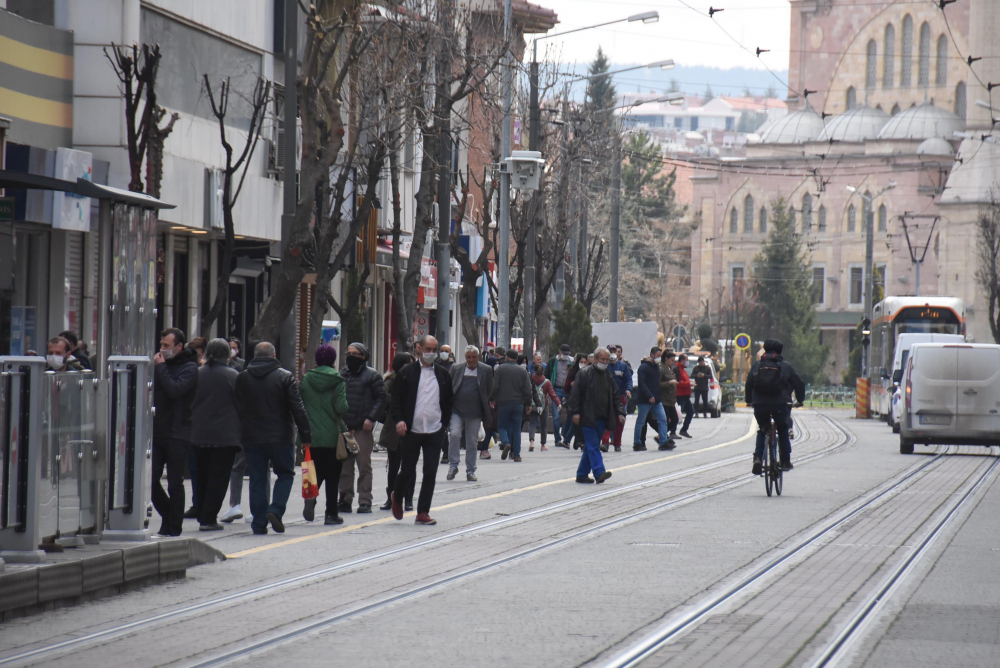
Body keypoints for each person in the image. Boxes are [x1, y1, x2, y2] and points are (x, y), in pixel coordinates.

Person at [235, 342, 312, 535]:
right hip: (281, 436)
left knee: (257, 478)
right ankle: (275, 510)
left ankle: (259, 523)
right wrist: (305, 435)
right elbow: (297, 408)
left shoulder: (243, 377)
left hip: (252, 436)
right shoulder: (285, 377)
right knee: (285, 474)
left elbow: (238, 405)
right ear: (274, 355)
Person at [389, 335, 452, 525]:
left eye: (435, 349)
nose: (431, 353)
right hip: (411, 430)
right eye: (428, 349)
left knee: (430, 472)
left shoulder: (442, 374)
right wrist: (399, 420)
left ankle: (423, 512)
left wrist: (444, 424)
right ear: (419, 348)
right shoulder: (406, 372)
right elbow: (396, 399)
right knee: (407, 470)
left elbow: (449, 401)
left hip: (434, 430)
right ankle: (397, 496)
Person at [189, 338, 242, 531]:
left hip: (198, 434)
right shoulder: (232, 376)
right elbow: (241, 404)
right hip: (225, 436)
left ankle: (202, 512)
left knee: (201, 476)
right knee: (218, 478)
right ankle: (209, 517)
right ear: (227, 355)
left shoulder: (196, 374)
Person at [151, 328, 199, 537]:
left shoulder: (189, 367)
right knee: (151, 481)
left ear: (179, 347)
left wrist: (161, 368)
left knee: (174, 481)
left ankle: (174, 526)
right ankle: (170, 515)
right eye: (161, 345)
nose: (162, 349)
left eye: (167, 346)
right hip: (157, 430)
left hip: (178, 432)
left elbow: (175, 390)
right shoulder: (160, 366)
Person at [300, 344, 349, 525]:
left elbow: (300, 404)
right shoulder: (338, 380)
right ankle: (331, 513)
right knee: (333, 475)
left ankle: (311, 496)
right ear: (333, 361)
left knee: (313, 471)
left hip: (310, 435)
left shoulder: (306, 380)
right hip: (332, 436)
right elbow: (342, 407)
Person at [338, 342, 386, 515]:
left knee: (363, 464)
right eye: (349, 352)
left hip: (362, 428)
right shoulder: (341, 374)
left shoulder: (372, 376)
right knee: (345, 465)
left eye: (355, 353)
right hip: (345, 427)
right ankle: (344, 498)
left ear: (364, 356)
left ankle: (365, 500)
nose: (351, 356)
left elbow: (381, 398)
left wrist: (371, 418)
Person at [745, 338, 805, 472]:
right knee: (783, 427)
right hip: (779, 404)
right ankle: (785, 460)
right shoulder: (785, 366)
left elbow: (749, 384)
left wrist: (749, 400)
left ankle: (758, 458)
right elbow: (799, 384)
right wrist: (800, 400)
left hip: (760, 404)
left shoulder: (756, 365)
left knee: (762, 429)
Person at [568, 347, 624, 484]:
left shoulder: (607, 375)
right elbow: (575, 395)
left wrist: (620, 412)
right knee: (593, 446)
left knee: (590, 447)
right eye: (602, 359)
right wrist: (575, 412)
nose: (604, 362)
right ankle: (599, 472)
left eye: (606, 359)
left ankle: (581, 474)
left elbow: (616, 394)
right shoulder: (584, 374)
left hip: (602, 417)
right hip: (587, 416)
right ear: (596, 359)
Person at [447, 345, 493, 481]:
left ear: (478, 357)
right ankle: (453, 465)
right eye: (468, 357)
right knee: (454, 435)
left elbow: (489, 389)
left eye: (473, 357)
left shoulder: (486, 369)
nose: (471, 360)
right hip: (457, 410)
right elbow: (450, 386)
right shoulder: (457, 368)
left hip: (475, 412)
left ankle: (471, 470)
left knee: (472, 442)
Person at [380, 353, 415, 511]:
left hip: (413, 428)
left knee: (409, 466)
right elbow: (384, 400)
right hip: (394, 427)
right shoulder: (390, 381)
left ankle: (408, 498)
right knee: (393, 466)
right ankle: (391, 497)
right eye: (408, 363)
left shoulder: (417, 379)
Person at [493, 348, 533, 462]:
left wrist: (492, 398)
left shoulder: (500, 369)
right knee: (516, 429)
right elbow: (527, 389)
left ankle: (506, 443)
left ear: (506, 357)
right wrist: (528, 403)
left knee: (502, 426)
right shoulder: (522, 371)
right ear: (516, 359)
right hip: (518, 403)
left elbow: (495, 386)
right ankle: (516, 454)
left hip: (503, 403)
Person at [634, 347, 672, 451]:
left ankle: (663, 441)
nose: (659, 358)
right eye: (658, 356)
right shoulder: (644, 367)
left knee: (663, 419)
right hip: (645, 400)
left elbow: (656, 384)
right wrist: (649, 396)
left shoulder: (656, 367)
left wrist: (657, 397)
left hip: (656, 400)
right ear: (652, 354)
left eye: (660, 356)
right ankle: (637, 442)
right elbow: (642, 383)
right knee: (641, 422)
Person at [602, 346, 633, 452]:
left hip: (620, 397)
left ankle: (617, 443)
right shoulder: (604, 366)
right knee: (605, 420)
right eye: (610, 352)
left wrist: (628, 390)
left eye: (614, 352)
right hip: (606, 397)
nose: (612, 354)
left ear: (618, 354)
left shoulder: (623, 366)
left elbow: (629, 379)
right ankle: (605, 443)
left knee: (620, 421)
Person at [547, 343, 574, 448]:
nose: (565, 355)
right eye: (564, 353)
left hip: (568, 391)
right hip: (556, 390)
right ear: (559, 352)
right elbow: (548, 375)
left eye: (567, 353)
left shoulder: (571, 361)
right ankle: (557, 439)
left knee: (570, 414)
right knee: (556, 416)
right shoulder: (553, 361)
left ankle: (565, 435)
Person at [529, 364, 560, 452]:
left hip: (532, 404)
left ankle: (532, 442)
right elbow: (552, 394)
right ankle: (543, 445)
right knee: (544, 425)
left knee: (532, 423)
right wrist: (558, 403)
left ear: (534, 370)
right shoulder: (546, 382)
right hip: (543, 405)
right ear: (543, 371)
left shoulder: (530, 379)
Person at [565, 353, 588, 450]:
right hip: (573, 400)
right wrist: (571, 385)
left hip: (585, 401)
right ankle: (568, 439)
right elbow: (566, 387)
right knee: (573, 421)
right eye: (581, 362)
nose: (583, 364)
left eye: (585, 362)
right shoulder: (573, 372)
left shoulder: (589, 372)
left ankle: (579, 441)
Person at [675, 354, 695, 439]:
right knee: (677, 414)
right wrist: (688, 383)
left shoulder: (683, 370)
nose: (688, 362)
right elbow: (677, 382)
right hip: (680, 395)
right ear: (682, 360)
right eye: (687, 360)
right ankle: (672, 431)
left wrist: (690, 383)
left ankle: (684, 430)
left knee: (690, 412)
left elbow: (684, 380)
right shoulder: (677, 369)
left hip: (685, 395)